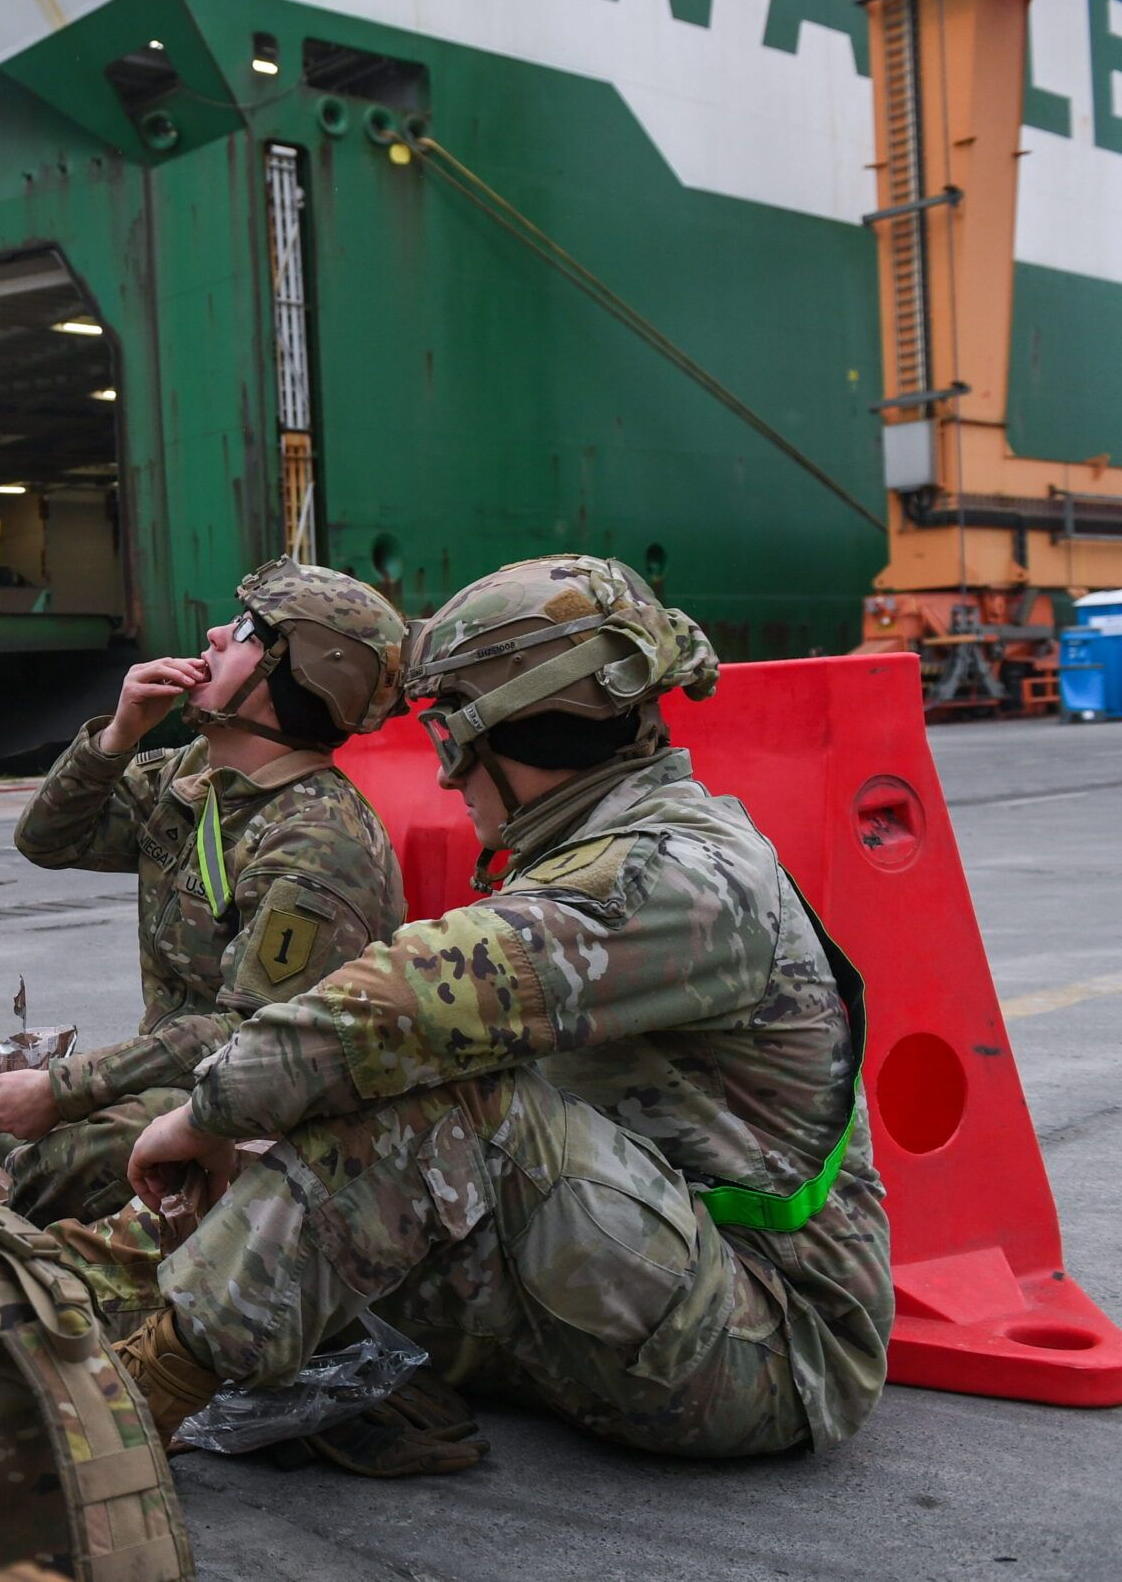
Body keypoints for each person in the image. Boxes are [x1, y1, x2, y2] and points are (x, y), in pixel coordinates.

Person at [110, 554, 893, 1470]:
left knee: (431, 1097)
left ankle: (137, 1400)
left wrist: (203, 1112)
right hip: (641, 1274)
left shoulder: (673, 876)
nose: (448, 777)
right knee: (339, 1118)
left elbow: (400, 1004)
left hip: (768, 1346)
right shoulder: (602, 842)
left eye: (451, 736)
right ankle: (118, 1309)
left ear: (514, 729)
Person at [0, 559, 408, 1225]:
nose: (217, 635)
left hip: (258, 1102)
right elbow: (47, 839)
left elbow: (247, 1032)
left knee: (79, 1147)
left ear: (304, 672)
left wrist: (63, 1087)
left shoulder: (318, 843)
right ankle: (23, 1176)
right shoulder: (198, 776)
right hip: (173, 1068)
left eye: (250, 630)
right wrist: (116, 737)